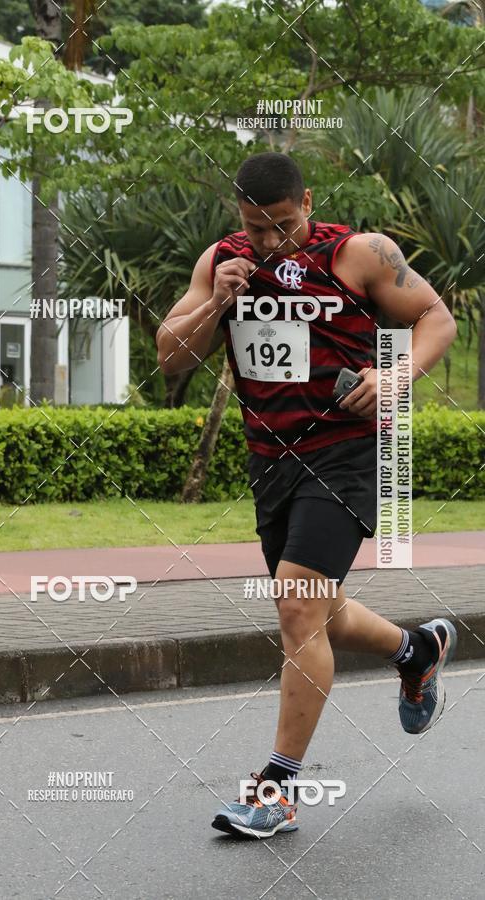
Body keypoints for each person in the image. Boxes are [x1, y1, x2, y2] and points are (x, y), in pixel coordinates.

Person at [155, 152, 458, 839]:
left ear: (307, 204)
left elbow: (438, 317)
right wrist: (214, 302)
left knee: (296, 602)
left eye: (282, 226)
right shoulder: (222, 261)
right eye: (255, 229)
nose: (268, 243)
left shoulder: (360, 253)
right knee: (317, 612)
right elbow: (170, 355)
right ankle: (417, 652)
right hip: (270, 464)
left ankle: (277, 789)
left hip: (344, 454)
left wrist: (398, 376)